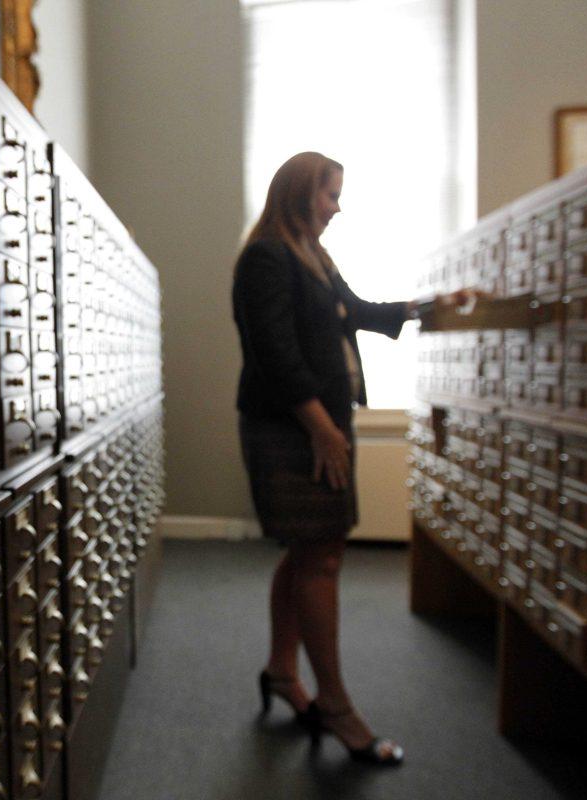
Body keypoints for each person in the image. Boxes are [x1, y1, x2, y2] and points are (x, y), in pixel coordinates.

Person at [232, 151, 469, 766]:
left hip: (320, 423)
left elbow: (357, 313)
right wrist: (321, 429)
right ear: (300, 194)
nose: (338, 206)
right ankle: (334, 705)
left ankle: (283, 675)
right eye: (330, 194)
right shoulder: (266, 258)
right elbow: (275, 354)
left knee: (310, 548)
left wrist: (431, 307)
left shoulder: (313, 259)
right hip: (292, 428)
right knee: (323, 556)